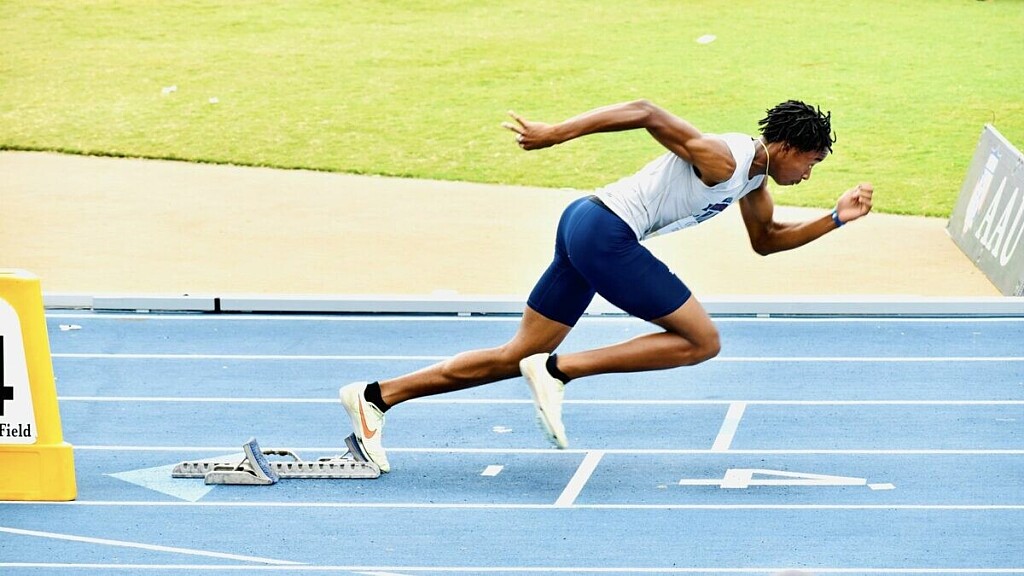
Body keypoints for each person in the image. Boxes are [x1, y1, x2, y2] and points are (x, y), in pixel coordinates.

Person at [340, 99, 874, 472]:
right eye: (811, 162)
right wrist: (555, 133)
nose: (809, 174)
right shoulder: (726, 158)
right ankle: (558, 371)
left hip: (585, 223)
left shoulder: (753, 180)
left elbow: (767, 240)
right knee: (702, 340)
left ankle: (376, 397)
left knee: (516, 355)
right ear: (788, 146)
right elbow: (645, 111)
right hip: (605, 233)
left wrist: (836, 218)